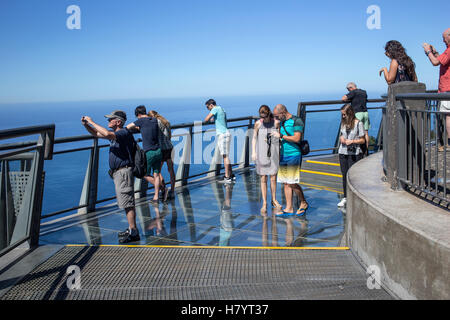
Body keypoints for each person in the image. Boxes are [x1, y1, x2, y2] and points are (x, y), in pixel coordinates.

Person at [81, 110, 140, 243]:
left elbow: (106, 134)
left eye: (110, 120)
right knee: (126, 202)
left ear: (118, 122)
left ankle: (134, 232)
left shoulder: (122, 133)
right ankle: (132, 229)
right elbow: (97, 134)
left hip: (124, 172)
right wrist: (86, 125)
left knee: (128, 202)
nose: (108, 122)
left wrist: (91, 121)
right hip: (119, 172)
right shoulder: (117, 134)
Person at [272, 104, 308, 217]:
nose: (276, 118)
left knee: (292, 182)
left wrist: (281, 136)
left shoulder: (297, 121)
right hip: (283, 154)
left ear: (283, 112)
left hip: (294, 154)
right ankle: (289, 208)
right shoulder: (281, 122)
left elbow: (297, 138)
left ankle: (303, 202)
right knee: (286, 182)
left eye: (277, 116)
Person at [126, 106, 162, 204]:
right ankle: (156, 196)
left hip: (149, 152)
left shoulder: (140, 120)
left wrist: (138, 126)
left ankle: (162, 189)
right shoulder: (154, 120)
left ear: (138, 114)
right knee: (156, 174)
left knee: (143, 173)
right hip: (158, 150)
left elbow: (127, 128)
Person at [251, 105, 282, 214]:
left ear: (268, 114)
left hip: (273, 152)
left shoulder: (276, 123)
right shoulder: (258, 124)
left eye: (265, 117)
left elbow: (280, 136)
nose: (263, 119)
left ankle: (274, 199)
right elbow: (254, 137)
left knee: (273, 177)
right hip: (261, 152)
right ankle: (264, 202)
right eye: (261, 117)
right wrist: (253, 152)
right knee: (263, 178)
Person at [423, 28, 450, 152]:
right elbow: (441, 61)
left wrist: (428, 51)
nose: (443, 40)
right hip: (446, 90)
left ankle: (448, 144)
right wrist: (435, 52)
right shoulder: (447, 51)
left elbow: (435, 62)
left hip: (447, 90)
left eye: (444, 37)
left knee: (448, 116)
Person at [337, 104, 366, 207]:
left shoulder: (359, 124)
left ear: (350, 113)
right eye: (342, 115)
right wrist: (342, 138)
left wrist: (352, 141)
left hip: (354, 153)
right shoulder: (343, 123)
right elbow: (342, 134)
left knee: (353, 176)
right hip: (343, 151)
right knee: (344, 175)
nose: (343, 117)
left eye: (344, 114)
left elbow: (363, 140)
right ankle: (345, 197)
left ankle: (355, 196)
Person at [204, 99, 235, 184]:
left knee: (225, 157)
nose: (208, 109)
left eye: (208, 107)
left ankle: (227, 177)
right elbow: (220, 120)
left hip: (222, 134)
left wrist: (208, 119)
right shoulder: (222, 109)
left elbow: (206, 119)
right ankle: (231, 175)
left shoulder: (215, 109)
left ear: (211, 105)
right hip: (227, 133)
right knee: (227, 156)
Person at [149, 110, 175, 200]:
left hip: (161, 149)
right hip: (169, 147)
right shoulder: (166, 121)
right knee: (171, 170)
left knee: (157, 171)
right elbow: (169, 135)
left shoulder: (155, 122)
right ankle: (172, 191)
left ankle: (163, 188)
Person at [342, 82, 370, 156]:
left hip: (358, 113)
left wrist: (349, 99)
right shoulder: (364, 92)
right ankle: (366, 151)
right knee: (366, 133)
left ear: (351, 88)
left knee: (355, 132)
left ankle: (358, 150)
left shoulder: (353, 92)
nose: (349, 92)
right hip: (365, 113)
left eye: (349, 90)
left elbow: (344, 98)